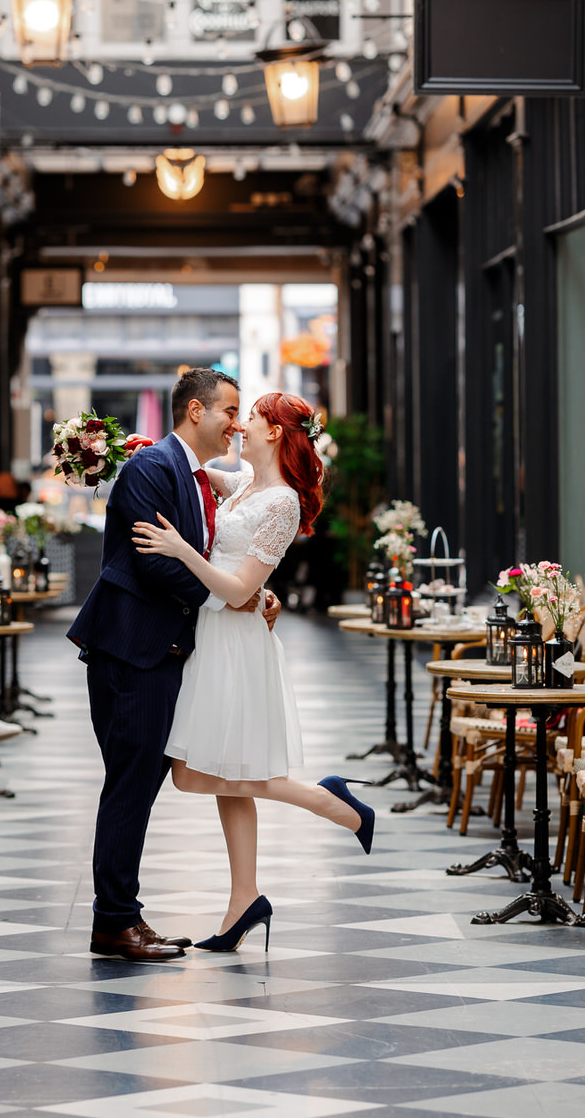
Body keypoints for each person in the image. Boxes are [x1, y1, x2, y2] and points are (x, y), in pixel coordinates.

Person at [133, 390, 375, 953]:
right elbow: (192, 477)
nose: (240, 424)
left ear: (273, 432)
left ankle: (326, 799)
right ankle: (245, 899)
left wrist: (179, 550)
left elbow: (240, 587)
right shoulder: (242, 483)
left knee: (194, 772)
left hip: (235, 644)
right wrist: (136, 452)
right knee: (222, 772)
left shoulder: (283, 503)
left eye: (253, 416)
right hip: (214, 638)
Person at [68, 367, 281, 963]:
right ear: (195, 411)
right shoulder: (151, 468)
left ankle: (123, 916)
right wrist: (232, 600)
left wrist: (253, 594)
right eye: (229, 411)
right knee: (130, 787)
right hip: (131, 651)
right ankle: (113, 923)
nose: (236, 423)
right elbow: (154, 564)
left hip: (156, 652)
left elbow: (208, 554)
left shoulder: (186, 473)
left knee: (136, 788)